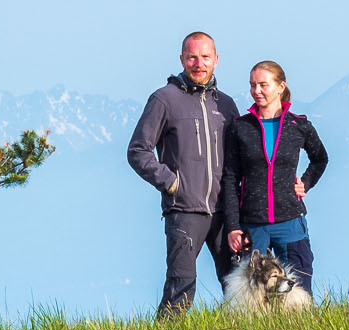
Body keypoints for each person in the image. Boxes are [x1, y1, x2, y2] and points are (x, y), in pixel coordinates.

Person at [127, 32, 241, 315]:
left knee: (238, 284)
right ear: (182, 59)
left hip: (226, 212)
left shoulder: (226, 105)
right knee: (181, 284)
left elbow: (241, 156)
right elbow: (138, 150)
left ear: (216, 59)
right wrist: (172, 183)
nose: (198, 63)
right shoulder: (164, 100)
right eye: (192, 57)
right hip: (184, 209)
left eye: (205, 57)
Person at [220, 61, 328, 290]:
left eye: (262, 85)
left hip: (290, 221)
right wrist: (232, 226)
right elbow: (230, 179)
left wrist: (306, 183)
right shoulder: (240, 128)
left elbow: (320, 159)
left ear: (280, 87)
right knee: (252, 293)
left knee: (299, 287)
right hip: (252, 225)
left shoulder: (299, 125)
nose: (256, 91)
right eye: (252, 85)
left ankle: (301, 327)